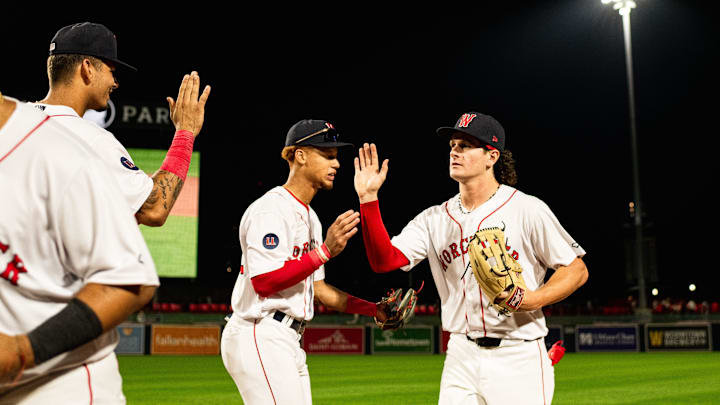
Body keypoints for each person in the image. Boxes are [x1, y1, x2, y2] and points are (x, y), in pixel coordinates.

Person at [353, 112, 589, 405]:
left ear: (492, 156)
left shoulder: (526, 209)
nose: (455, 151)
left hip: (518, 354)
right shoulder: (434, 218)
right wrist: (368, 199)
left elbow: (576, 269)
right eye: (453, 145)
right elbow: (384, 261)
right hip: (461, 354)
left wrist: (533, 299)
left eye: (465, 145)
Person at [0, 92, 159, 403]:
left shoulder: (61, 150)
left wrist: (24, 350)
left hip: (53, 384)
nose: (116, 82)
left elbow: (129, 279)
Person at [221, 119, 388, 405]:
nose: (336, 164)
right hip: (259, 332)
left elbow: (320, 290)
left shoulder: (311, 218)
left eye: (336, 157)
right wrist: (324, 252)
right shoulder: (271, 209)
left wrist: (374, 309)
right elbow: (263, 282)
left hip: (288, 339)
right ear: (300, 155)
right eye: (328, 155)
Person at [30, 22, 210, 225]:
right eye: (111, 72)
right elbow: (154, 208)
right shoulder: (91, 141)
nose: (115, 82)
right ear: (88, 68)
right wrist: (185, 132)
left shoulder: (12, 119)